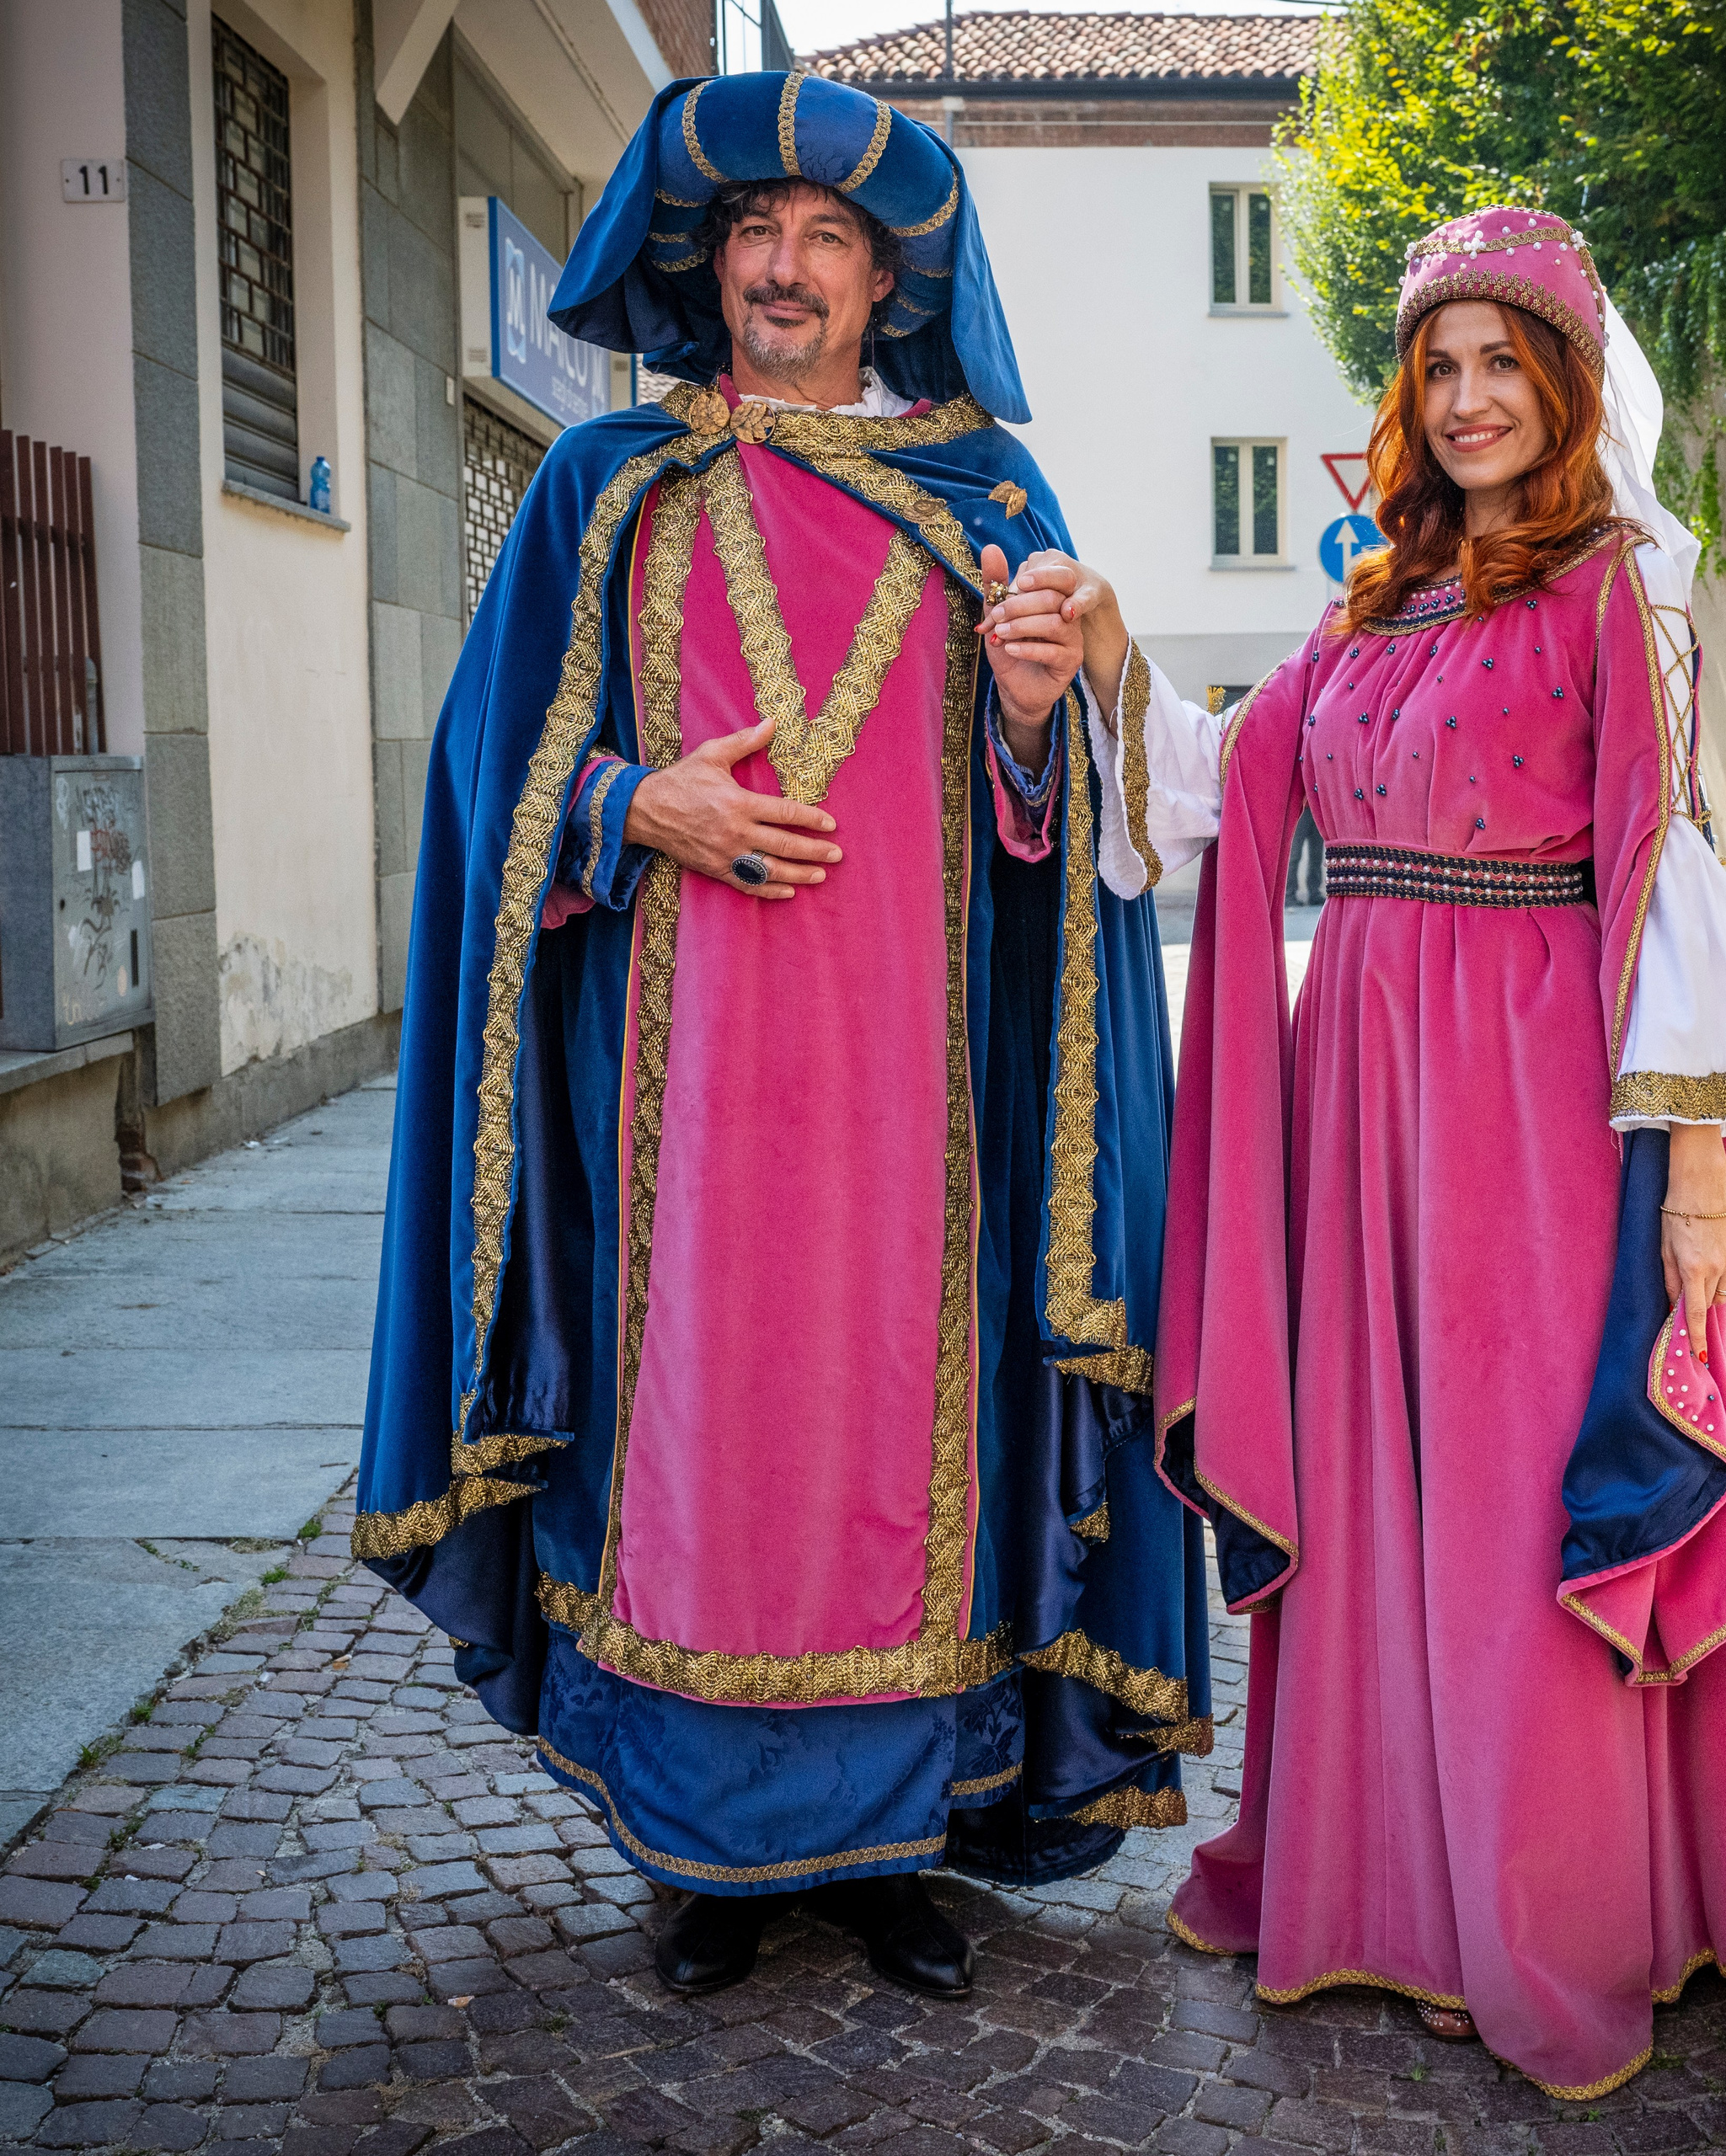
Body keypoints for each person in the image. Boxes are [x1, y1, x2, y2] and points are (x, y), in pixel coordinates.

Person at [1011, 205, 1726, 2111]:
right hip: (1358, 1100)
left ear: (1557, 385)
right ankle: (1371, 1877)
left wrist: (1695, 1178)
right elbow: (1222, 789)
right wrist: (1110, 649)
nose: (1463, 402)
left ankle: (1542, 1905)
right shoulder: (1372, 601)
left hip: (1535, 1113)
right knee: (1381, 1482)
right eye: (1435, 367)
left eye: (1498, 365)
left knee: (1505, 1484)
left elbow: (1667, 869)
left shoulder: (1619, 585)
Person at [354, 72, 1208, 2005]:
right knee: (705, 1453)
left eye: (831, 237)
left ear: (889, 281)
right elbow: (489, 779)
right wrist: (628, 807)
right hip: (676, 1104)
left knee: (894, 1458)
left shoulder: (990, 500)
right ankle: (707, 1852)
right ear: (704, 261)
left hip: (919, 1114)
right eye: (756, 232)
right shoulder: (600, 489)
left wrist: (1031, 709)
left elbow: (1057, 843)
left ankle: (894, 1847)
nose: (788, 267)